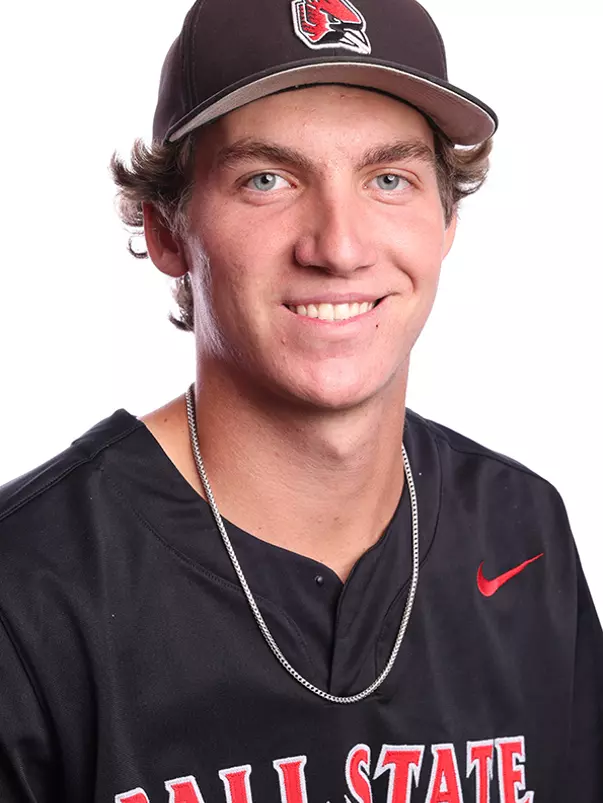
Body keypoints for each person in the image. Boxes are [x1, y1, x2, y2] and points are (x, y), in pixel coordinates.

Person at [1, 0, 601, 800]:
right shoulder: (30, 586)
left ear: (445, 220)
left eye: (388, 179)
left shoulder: (521, 530)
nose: (339, 246)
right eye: (267, 180)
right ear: (168, 229)